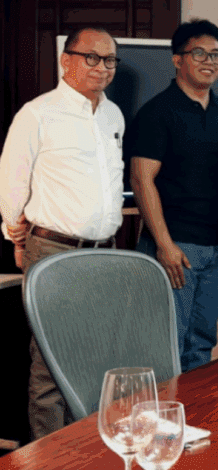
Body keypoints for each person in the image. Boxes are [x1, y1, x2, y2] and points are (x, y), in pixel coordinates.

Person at [0, 27, 123, 439]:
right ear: (66, 60)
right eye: (92, 57)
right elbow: (12, 184)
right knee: (51, 359)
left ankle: (85, 446)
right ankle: (49, 455)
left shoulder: (113, 114)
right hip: (53, 249)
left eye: (110, 59)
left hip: (104, 253)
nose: (102, 67)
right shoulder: (38, 113)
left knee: (95, 355)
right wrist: (18, 238)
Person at [129, 19, 218, 372]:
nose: (210, 61)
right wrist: (164, 243)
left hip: (216, 244)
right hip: (175, 245)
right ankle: (165, 408)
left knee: (202, 341)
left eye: (216, 55)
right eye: (199, 53)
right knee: (168, 343)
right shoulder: (158, 112)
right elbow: (141, 180)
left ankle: (193, 407)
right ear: (178, 59)